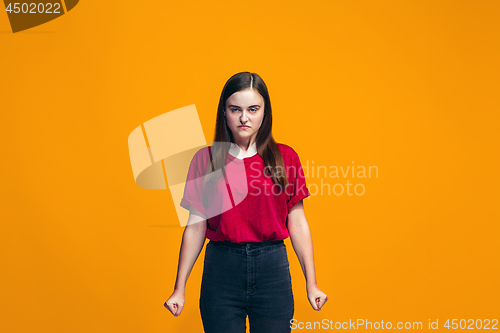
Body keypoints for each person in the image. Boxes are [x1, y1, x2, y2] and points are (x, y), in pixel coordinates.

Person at [164, 72, 328, 332]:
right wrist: (179, 289)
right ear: (224, 112)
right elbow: (195, 227)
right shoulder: (205, 160)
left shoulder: (286, 157)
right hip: (222, 270)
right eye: (235, 109)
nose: (244, 118)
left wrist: (312, 283)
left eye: (253, 109)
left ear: (265, 112)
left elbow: (297, 224)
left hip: (272, 269)